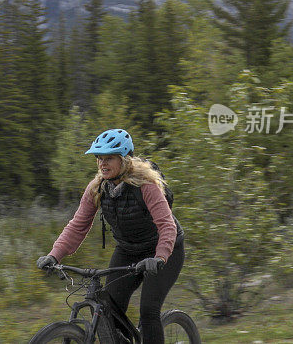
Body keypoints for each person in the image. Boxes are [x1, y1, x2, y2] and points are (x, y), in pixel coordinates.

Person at [36, 128, 184, 343]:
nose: (102, 164)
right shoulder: (97, 188)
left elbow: (166, 225)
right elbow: (78, 225)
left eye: (109, 158)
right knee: (110, 310)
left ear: (124, 160)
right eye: (99, 158)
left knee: (149, 311)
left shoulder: (147, 186)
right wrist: (54, 255)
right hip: (128, 250)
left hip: (164, 251)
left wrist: (160, 257)